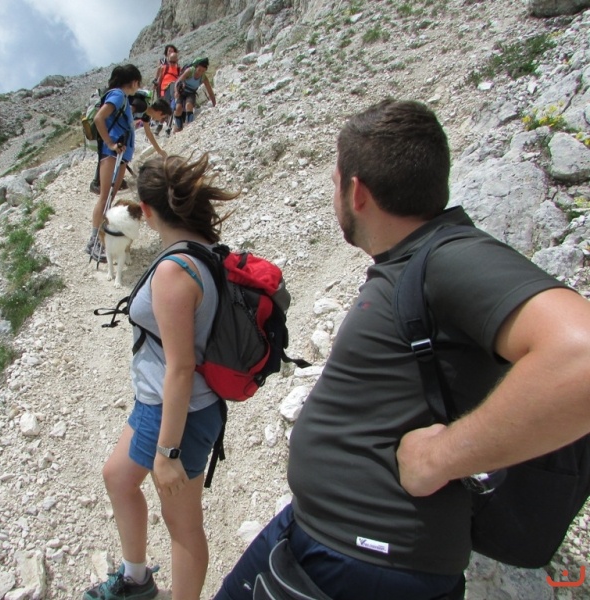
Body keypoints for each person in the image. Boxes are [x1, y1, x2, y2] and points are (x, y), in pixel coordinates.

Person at [214, 99, 590, 600]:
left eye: (334, 183)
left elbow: (581, 355)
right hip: (330, 543)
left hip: (361, 562)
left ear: (356, 192)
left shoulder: (447, 256)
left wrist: (439, 456)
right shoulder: (415, 260)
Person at [83, 153, 239, 600]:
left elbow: (181, 366)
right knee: (118, 476)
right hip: (158, 403)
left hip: (180, 413)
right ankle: (136, 580)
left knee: (183, 527)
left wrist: (168, 452)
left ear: (147, 212)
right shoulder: (203, 248)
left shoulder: (174, 270)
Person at [86, 64, 142, 263]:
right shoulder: (118, 95)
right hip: (112, 153)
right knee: (105, 197)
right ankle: (94, 242)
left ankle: (101, 240)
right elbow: (99, 118)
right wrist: (110, 143)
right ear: (133, 82)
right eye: (138, 83)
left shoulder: (122, 98)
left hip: (119, 154)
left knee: (109, 197)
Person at [173, 58, 216, 133]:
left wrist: (214, 104)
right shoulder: (190, 71)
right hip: (182, 91)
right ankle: (178, 127)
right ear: (196, 67)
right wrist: (176, 91)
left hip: (191, 93)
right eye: (199, 70)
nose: (200, 73)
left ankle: (190, 125)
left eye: (203, 71)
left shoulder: (203, 78)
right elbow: (178, 81)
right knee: (178, 108)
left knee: (189, 106)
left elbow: (210, 92)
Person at [154, 51, 181, 135]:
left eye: (174, 62)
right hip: (165, 89)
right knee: (166, 107)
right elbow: (159, 76)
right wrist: (156, 82)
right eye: (170, 62)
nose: (172, 64)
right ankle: (160, 125)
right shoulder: (164, 67)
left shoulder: (178, 69)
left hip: (174, 88)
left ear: (177, 60)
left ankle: (167, 127)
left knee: (172, 106)